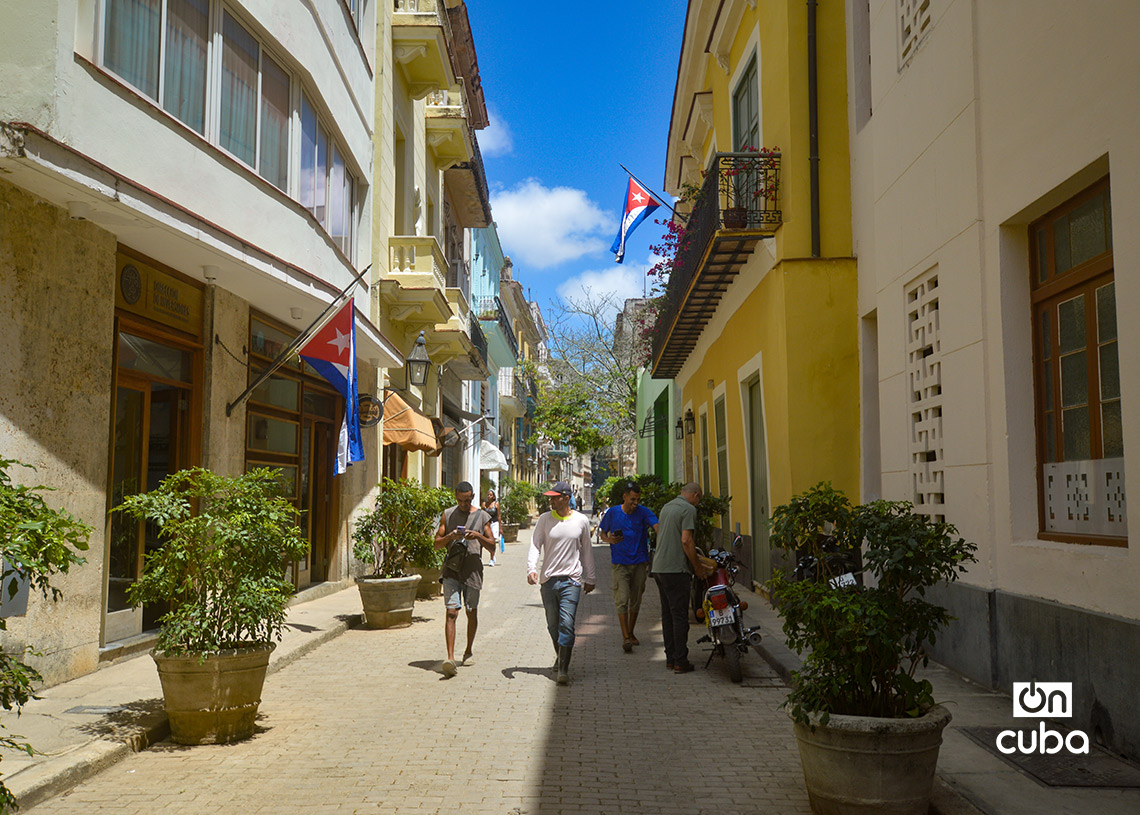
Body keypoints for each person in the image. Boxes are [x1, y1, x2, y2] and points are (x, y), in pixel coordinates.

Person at [526, 480, 596, 685]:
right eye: (550, 498)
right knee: (553, 625)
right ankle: (560, 656)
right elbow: (535, 545)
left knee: (567, 624)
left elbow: (587, 551)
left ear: (566, 498)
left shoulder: (581, 521)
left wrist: (590, 577)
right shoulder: (545, 520)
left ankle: (563, 669)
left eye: (555, 498)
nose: (551, 501)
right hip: (548, 581)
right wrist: (531, 568)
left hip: (571, 581)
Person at [433, 481, 494, 677]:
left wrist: (477, 535)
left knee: (471, 612)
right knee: (451, 612)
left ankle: (468, 651)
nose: (464, 504)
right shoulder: (448, 514)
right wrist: (450, 536)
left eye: (467, 501)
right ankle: (450, 658)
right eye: (460, 500)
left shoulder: (482, 516)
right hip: (452, 570)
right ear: (455, 497)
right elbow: (436, 544)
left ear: (473, 496)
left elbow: (493, 546)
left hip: (473, 572)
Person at [651, 482, 709, 674]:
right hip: (676, 569)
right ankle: (680, 661)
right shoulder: (688, 509)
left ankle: (670, 657)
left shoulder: (667, 507)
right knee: (679, 616)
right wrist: (697, 567)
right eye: (699, 500)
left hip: (659, 567)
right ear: (696, 495)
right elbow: (686, 541)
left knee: (667, 615)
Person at [598, 481, 658, 653]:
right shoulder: (613, 513)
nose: (635, 503)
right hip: (620, 564)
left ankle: (630, 632)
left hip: (640, 563)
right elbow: (602, 531)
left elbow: (656, 526)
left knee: (636, 600)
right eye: (632, 499)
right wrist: (608, 539)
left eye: (638, 499)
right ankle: (626, 637)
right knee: (622, 599)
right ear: (624, 497)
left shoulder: (643, 512)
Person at [482, 488, 501, 567]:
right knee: (485, 541)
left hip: (494, 524)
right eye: (488, 495)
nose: (489, 496)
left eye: (491, 495)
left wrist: (500, 528)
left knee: (493, 541)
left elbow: (499, 516)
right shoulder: (484, 504)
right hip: (487, 524)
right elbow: (481, 515)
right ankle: (492, 552)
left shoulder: (496, 504)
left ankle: (492, 558)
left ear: (493, 496)